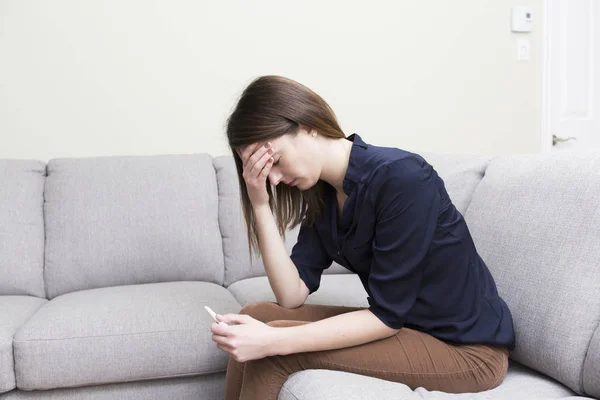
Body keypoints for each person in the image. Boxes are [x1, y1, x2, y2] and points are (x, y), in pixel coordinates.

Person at [210, 75, 515, 400]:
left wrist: (271, 342)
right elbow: (291, 294)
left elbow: (386, 316)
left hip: (466, 349)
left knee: (273, 349)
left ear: (308, 126)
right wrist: (259, 201)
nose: (273, 178)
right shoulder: (324, 193)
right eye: (259, 169)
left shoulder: (402, 178)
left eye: (274, 160)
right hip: (409, 328)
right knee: (255, 315)